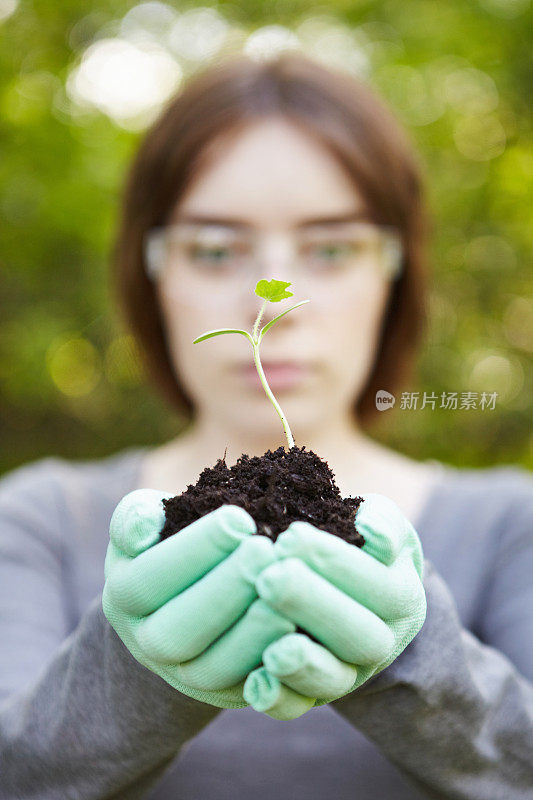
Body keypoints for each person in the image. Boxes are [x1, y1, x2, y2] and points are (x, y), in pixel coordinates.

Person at [1, 52, 532, 799]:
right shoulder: (43, 523)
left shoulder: (510, 525)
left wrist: (417, 658)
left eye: (332, 248)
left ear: (394, 273)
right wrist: (134, 670)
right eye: (214, 250)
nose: (265, 310)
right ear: (151, 272)